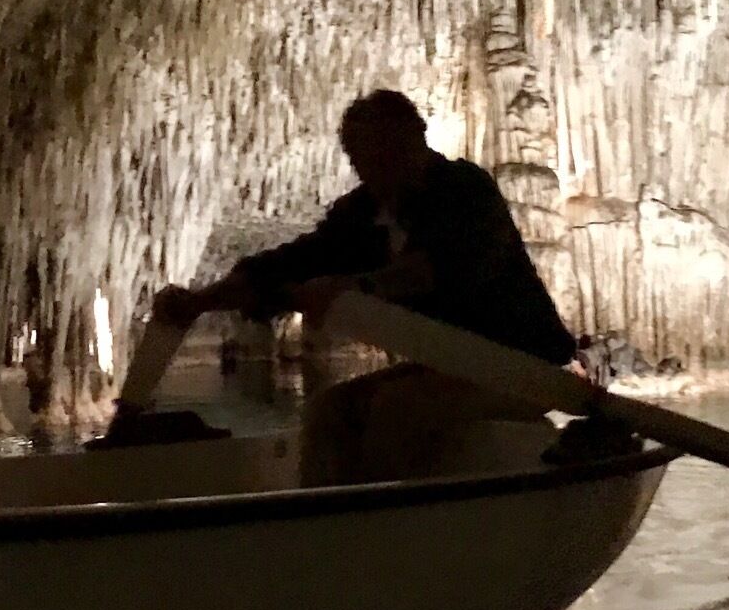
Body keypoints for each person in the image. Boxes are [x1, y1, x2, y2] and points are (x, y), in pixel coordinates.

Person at [156, 90, 577, 484]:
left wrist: (357, 286)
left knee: (397, 408)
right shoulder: (362, 215)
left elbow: (448, 263)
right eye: (362, 156)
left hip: (522, 368)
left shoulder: (465, 190)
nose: (374, 165)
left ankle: (388, 530)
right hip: (448, 365)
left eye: (385, 150)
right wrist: (200, 302)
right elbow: (290, 263)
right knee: (327, 410)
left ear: (416, 139)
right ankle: (324, 520)